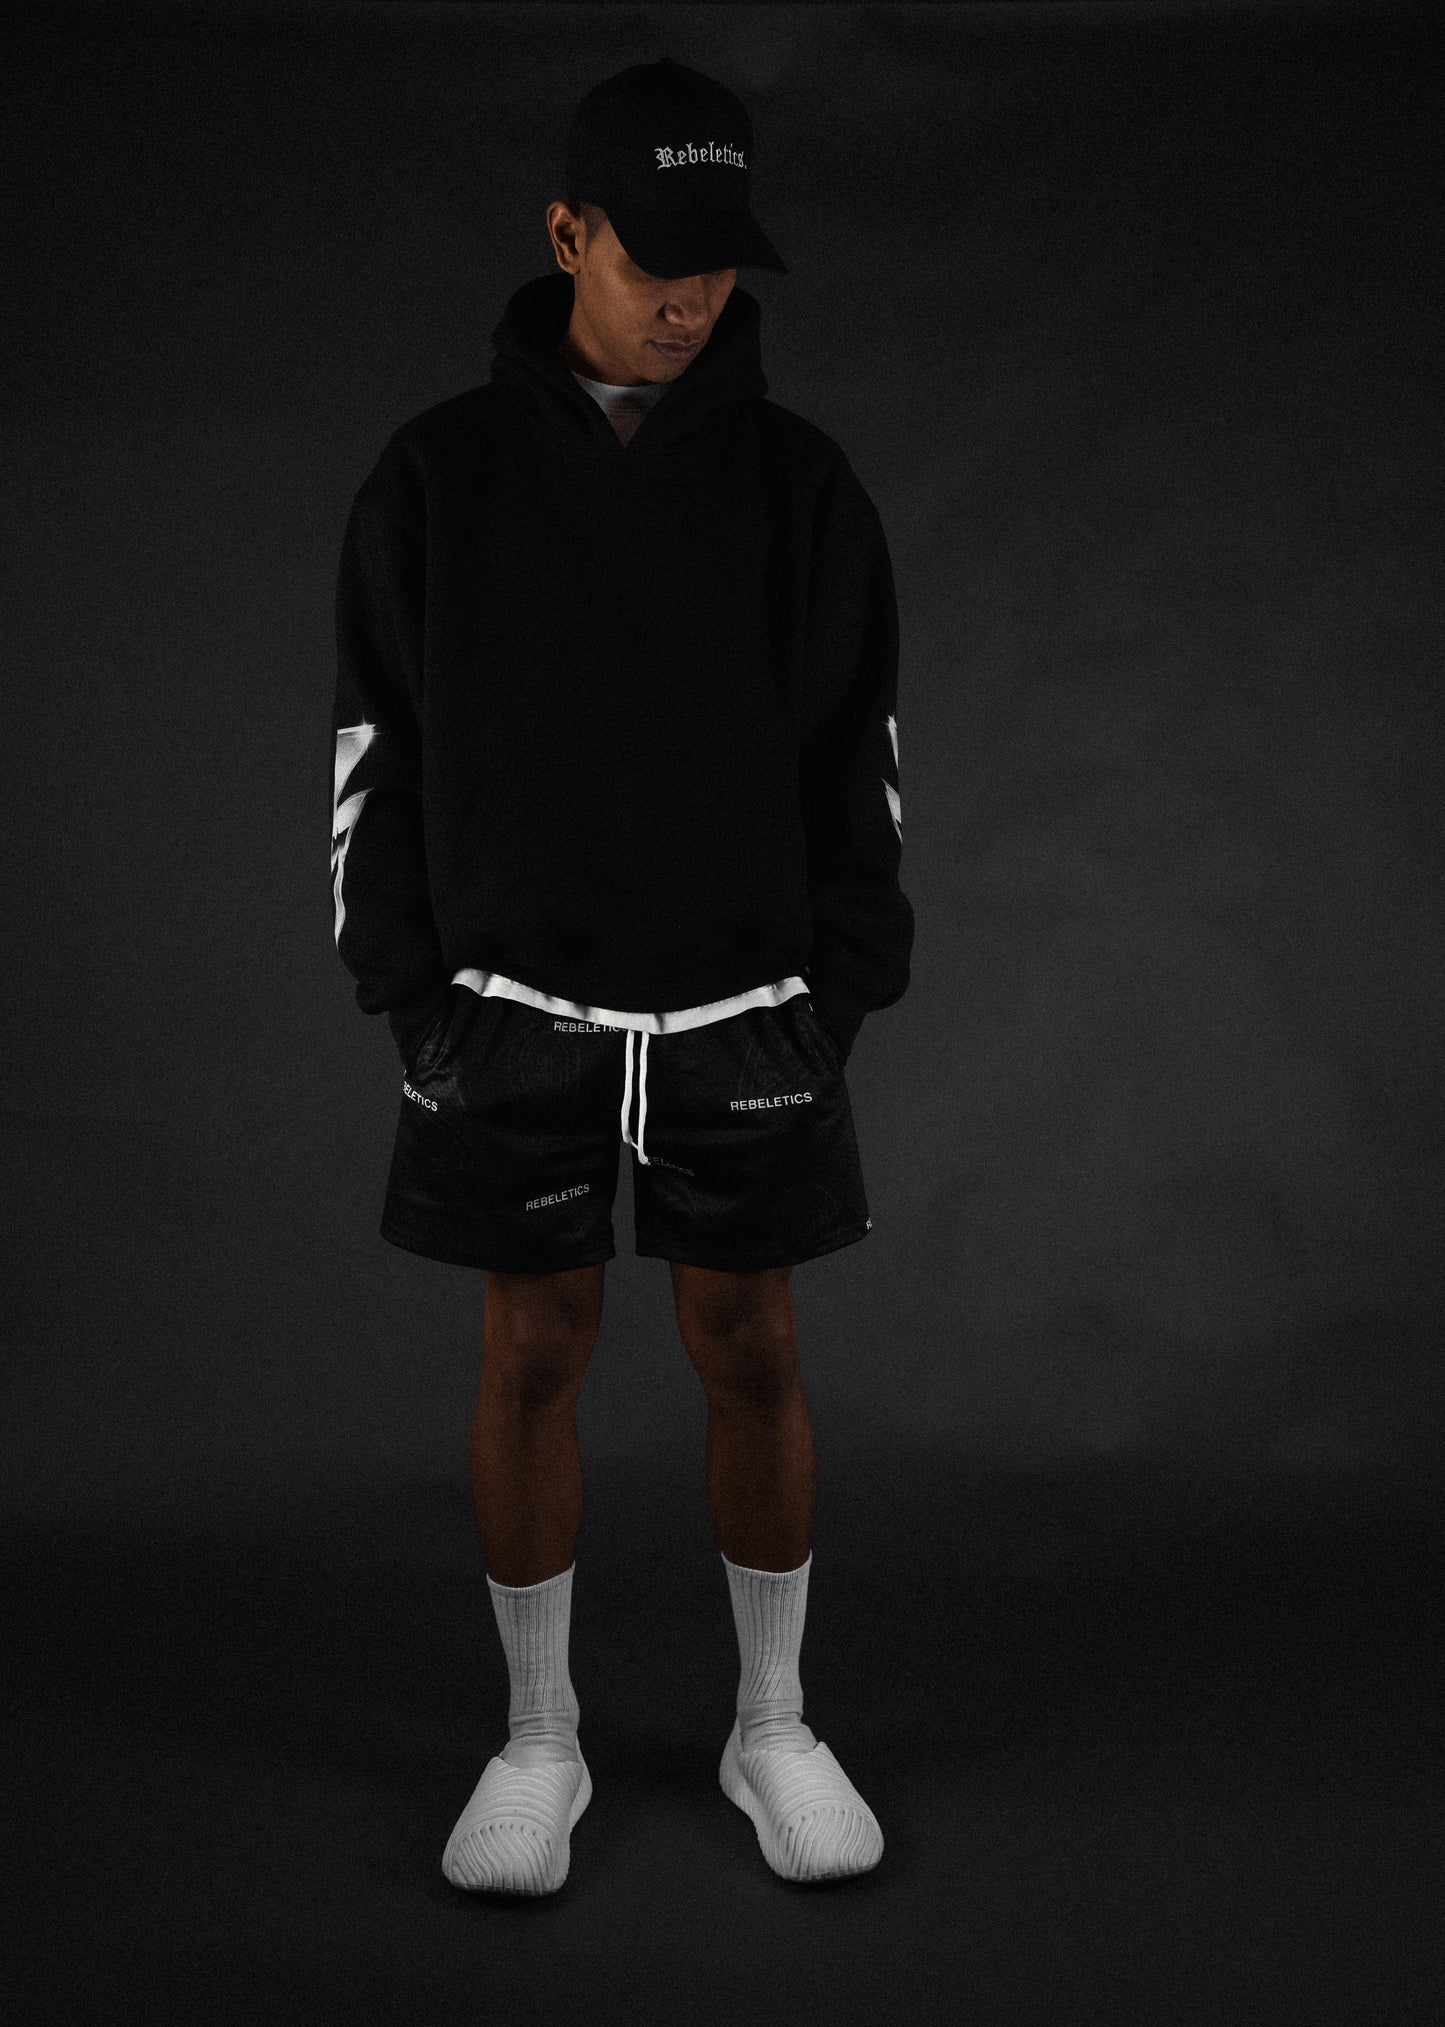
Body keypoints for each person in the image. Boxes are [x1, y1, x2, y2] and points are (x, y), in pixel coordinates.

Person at [329, 55, 913, 1894]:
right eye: (654, 256)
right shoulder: (439, 474)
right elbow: (373, 749)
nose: (690, 296)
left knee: (754, 1343)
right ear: (568, 232)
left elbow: (858, 757)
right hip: (516, 1011)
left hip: (745, 1010)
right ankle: (539, 1742)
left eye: (718, 260)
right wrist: (413, 998)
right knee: (532, 1350)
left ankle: (770, 1726)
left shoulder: (798, 485)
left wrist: (837, 991)